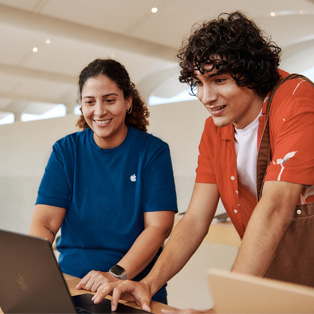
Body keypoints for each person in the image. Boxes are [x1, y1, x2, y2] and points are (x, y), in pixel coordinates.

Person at [89, 11, 314, 313]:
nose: (207, 97)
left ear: (253, 72)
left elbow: (274, 208)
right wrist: (149, 283)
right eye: (199, 83)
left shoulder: (297, 100)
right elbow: (195, 219)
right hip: (274, 276)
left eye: (219, 80)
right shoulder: (215, 129)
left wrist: (222, 308)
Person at [29, 58, 178, 304]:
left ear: (128, 101)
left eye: (110, 100)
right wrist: (35, 268)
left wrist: (115, 274)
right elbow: (45, 221)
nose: (99, 111)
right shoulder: (66, 151)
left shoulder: (153, 152)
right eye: (90, 102)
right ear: (82, 106)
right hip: (73, 283)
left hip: (131, 286)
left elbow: (159, 228)